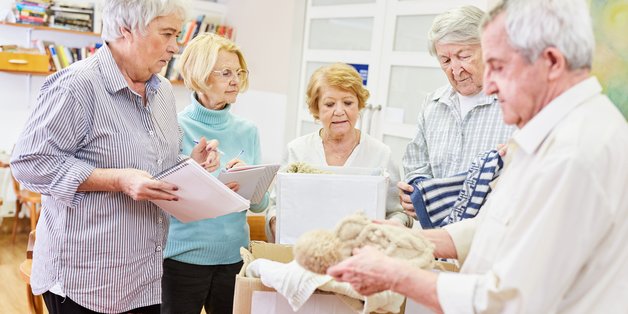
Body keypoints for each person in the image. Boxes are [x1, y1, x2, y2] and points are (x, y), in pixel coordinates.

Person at [328, 0, 628, 312]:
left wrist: (395, 275)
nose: (491, 84)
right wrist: (417, 241)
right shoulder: (549, 133)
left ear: (551, 62)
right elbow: (497, 224)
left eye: (498, 66)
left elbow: (509, 300)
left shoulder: (574, 152)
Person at [9, 1, 221, 313]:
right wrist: (118, 180)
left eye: (177, 35)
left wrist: (191, 164)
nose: (175, 47)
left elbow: (154, 168)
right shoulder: (76, 86)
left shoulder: (161, 90)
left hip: (145, 279)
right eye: (167, 34)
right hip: (87, 284)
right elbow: (29, 164)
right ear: (127, 31)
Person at [161, 33, 268, 314]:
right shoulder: (173, 126)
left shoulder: (248, 130)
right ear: (200, 76)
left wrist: (251, 180)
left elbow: (260, 204)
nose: (236, 80)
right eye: (226, 73)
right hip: (182, 260)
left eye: (239, 72)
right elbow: (163, 199)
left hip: (234, 258)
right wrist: (194, 172)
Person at [265, 63, 411, 242]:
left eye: (348, 103)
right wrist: (276, 223)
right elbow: (276, 206)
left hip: (361, 256)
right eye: (329, 104)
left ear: (359, 105)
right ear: (316, 109)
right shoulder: (297, 150)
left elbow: (398, 212)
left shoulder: (381, 154)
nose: (339, 111)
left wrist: (393, 226)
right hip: (306, 253)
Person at [398, 5, 514, 219]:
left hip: (491, 236)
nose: (456, 69)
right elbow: (416, 163)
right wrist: (416, 194)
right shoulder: (433, 104)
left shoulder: (514, 103)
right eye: (446, 60)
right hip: (438, 239)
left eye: (464, 56)